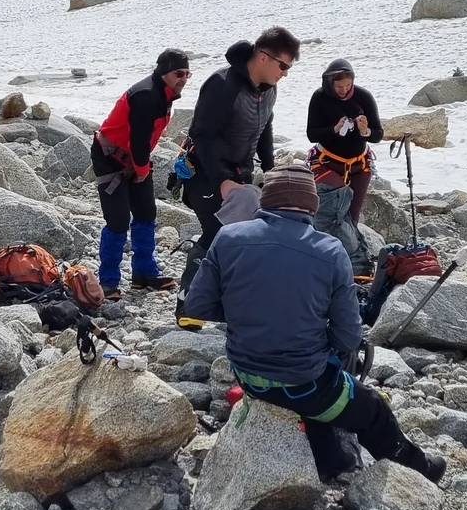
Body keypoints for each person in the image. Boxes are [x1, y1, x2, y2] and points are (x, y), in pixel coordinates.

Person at [184, 164, 446, 485]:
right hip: (302, 383)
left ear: (266, 200)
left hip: (248, 376)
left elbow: (196, 304)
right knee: (373, 408)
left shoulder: (227, 237)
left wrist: (247, 311)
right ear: (312, 204)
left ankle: (330, 459)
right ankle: (421, 469)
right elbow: (348, 337)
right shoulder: (329, 250)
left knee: (321, 387)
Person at [178, 26, 299, 287]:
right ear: (264, 56)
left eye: (288, 68)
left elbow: (265, 128)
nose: (285, 74)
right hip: (205, 172)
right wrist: (222, 180)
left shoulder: (268, 89)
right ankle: (187, 302)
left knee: (245, 235)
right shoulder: (222, 84)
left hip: (240, 171)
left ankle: (230, 300)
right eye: (283, 66)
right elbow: (202, 135)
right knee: (217, 233)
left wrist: (270, 171)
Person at [91, 49, 191, 301]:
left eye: (188, 74)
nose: (184, 79)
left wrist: (140, 168)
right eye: (179, 73)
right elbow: (138, 140)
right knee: (118, 220)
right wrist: (142, 171)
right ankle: (108, 282)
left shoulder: (165, 93)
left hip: (134, 158)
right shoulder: (147, 95)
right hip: (109, 157)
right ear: (164, 73)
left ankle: (144, 273)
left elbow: (141, 143)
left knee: (147, 214)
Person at [306, 59, 382, 280]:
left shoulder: (363, 96)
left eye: (347, 86)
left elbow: (378, 134)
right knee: (331, 213)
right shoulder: (319, 97)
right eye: (339, 87)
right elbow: (312, 134)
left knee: (351, 217)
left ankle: (347, 265)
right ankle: (348, 262)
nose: (344, 90)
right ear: (330, 83)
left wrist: (366, 131)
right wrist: (334, 129)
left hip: (359, 164)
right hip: (327, 161)